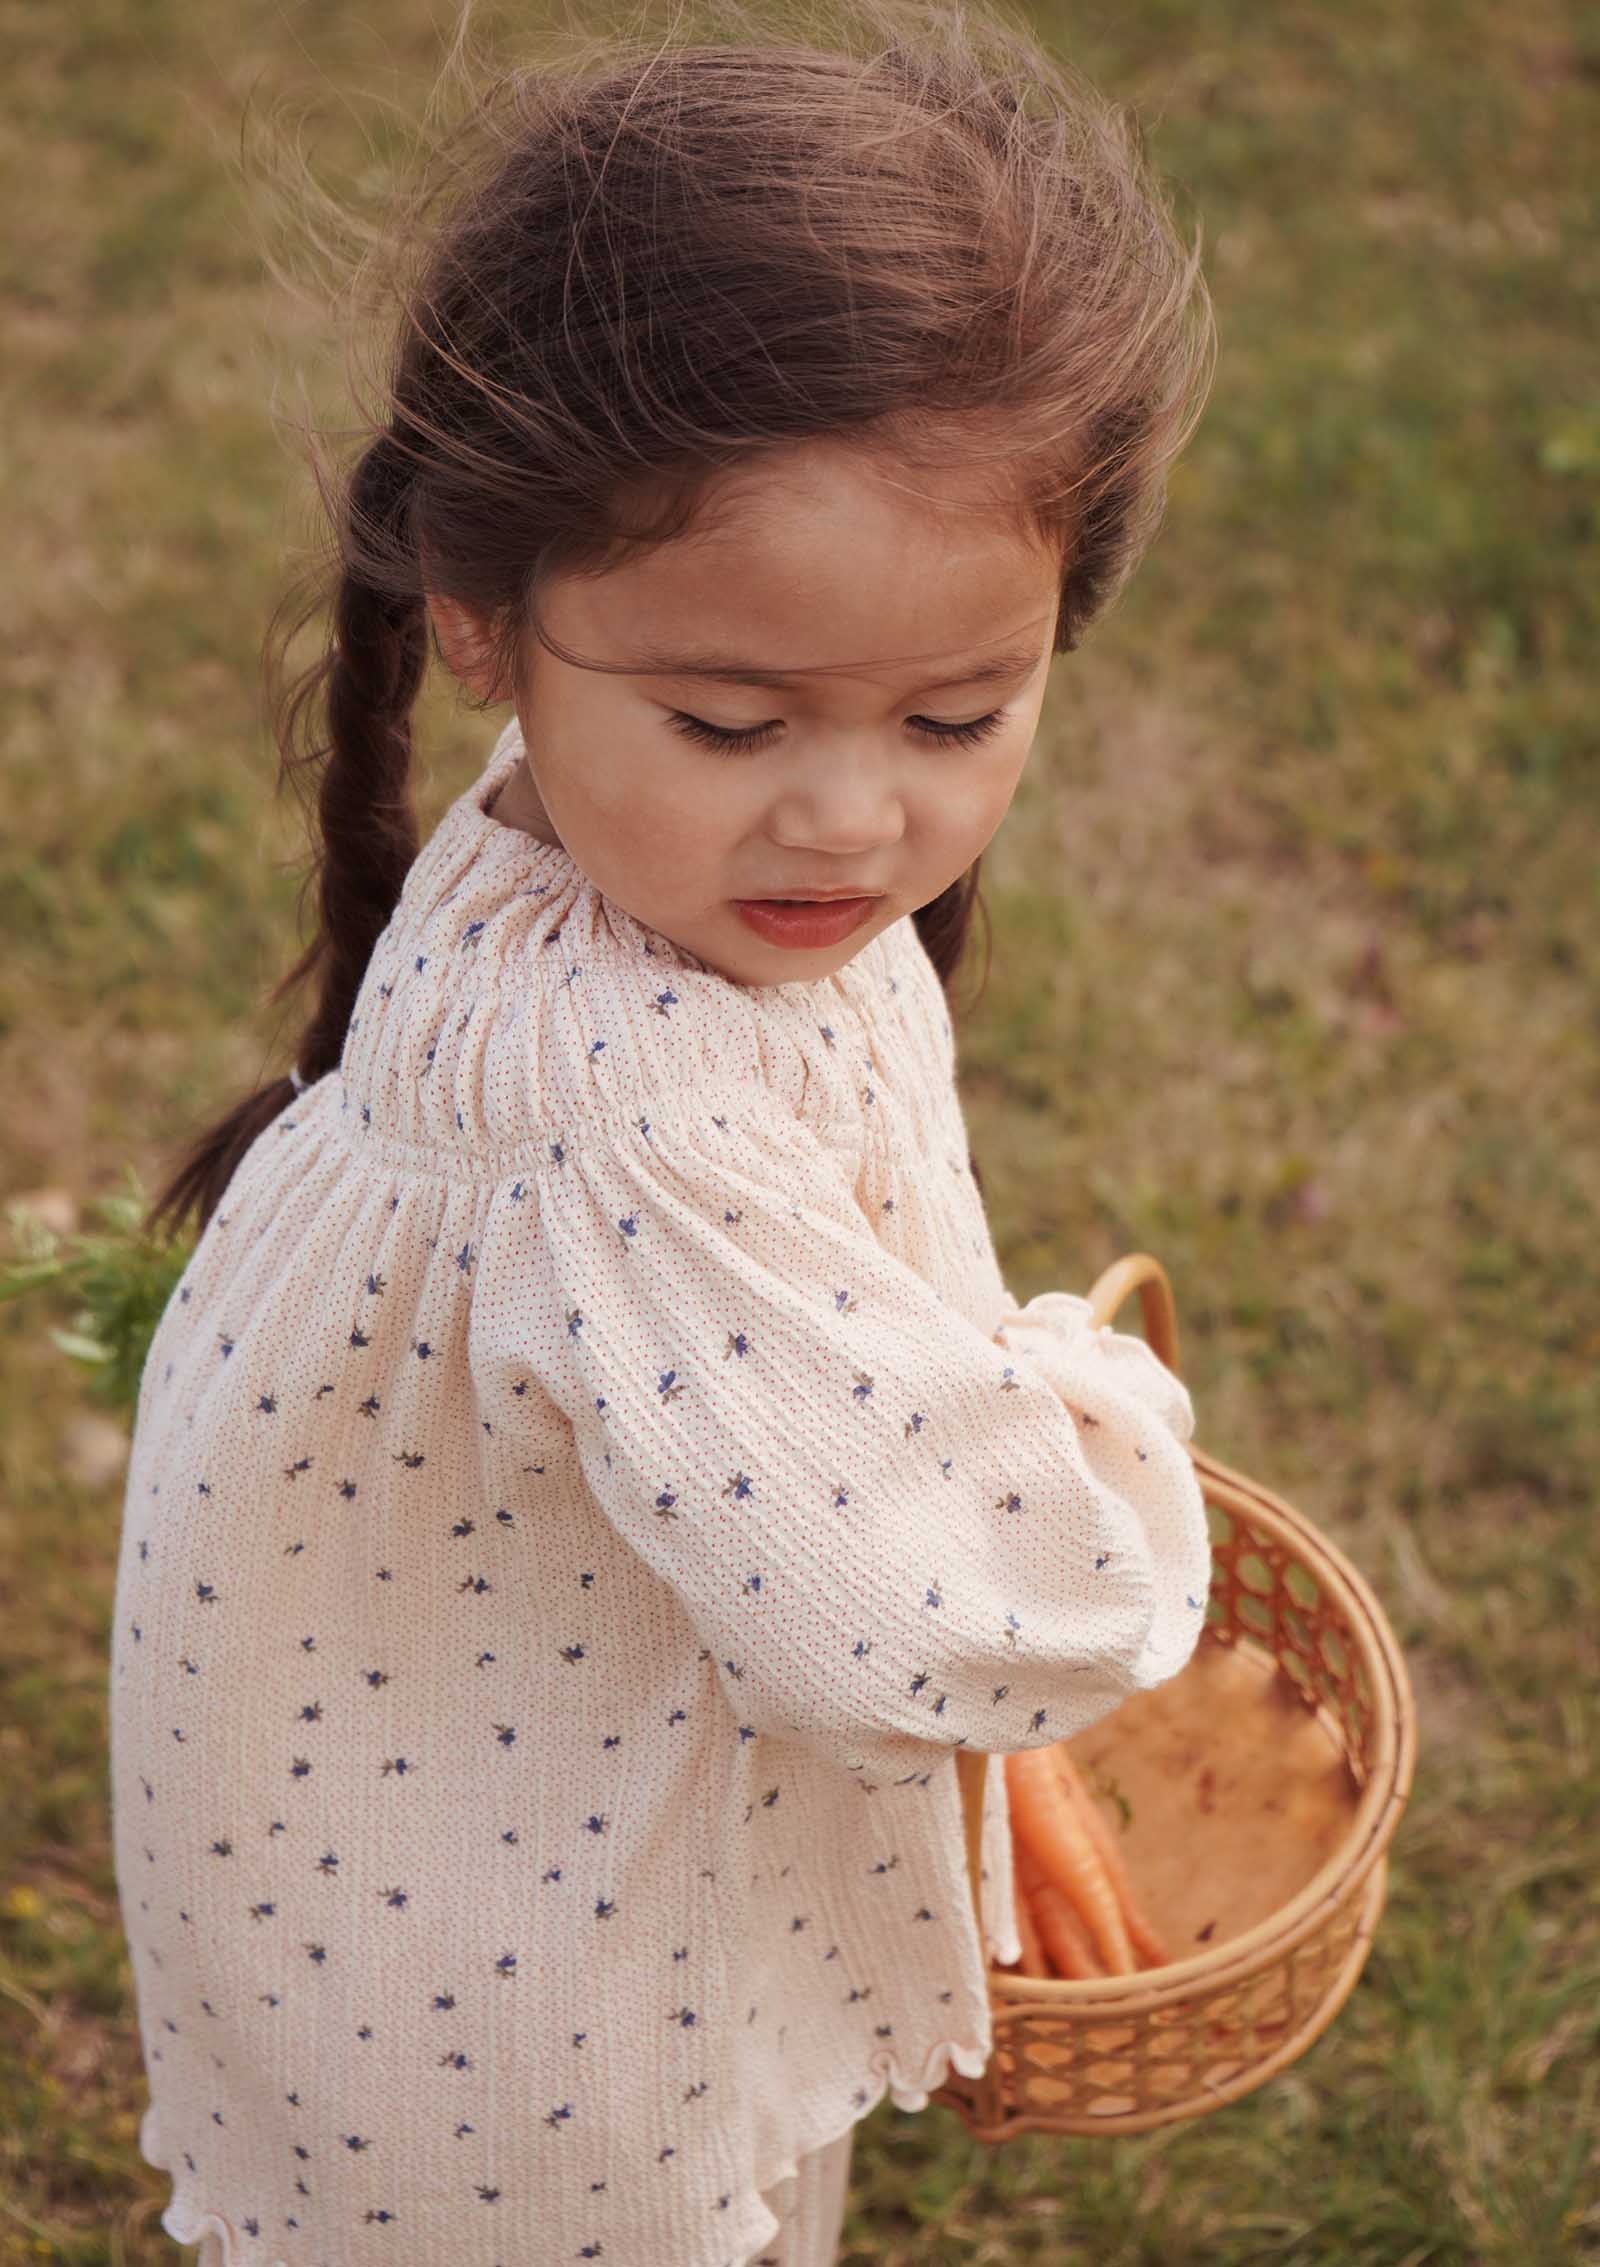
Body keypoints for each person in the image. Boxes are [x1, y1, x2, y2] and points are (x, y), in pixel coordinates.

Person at [111, 2, 1217, 2259]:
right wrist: (1100, 1432)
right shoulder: (621, 1120)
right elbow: (934, 1599)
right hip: (512, 1984)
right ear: (484, 625)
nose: (845, 810)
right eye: (728, 717)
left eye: (958, 709)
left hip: (512, 1803)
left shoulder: (675, 892)